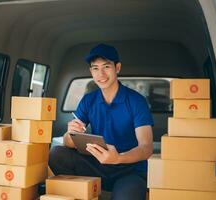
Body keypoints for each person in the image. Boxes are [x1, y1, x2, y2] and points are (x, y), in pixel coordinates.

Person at [49, 43, 154, 200]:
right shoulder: (88, 100)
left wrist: (118, 158)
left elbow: (146, 148)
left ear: (117, 68)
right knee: (57, 153)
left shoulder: (136, 101)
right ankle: (84, 192)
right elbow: (67, 141)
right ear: (91, 71)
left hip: (129, 170)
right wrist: (71, 134)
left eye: (106, 66)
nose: (101, 74)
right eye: (95, 68)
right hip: (97, 165)